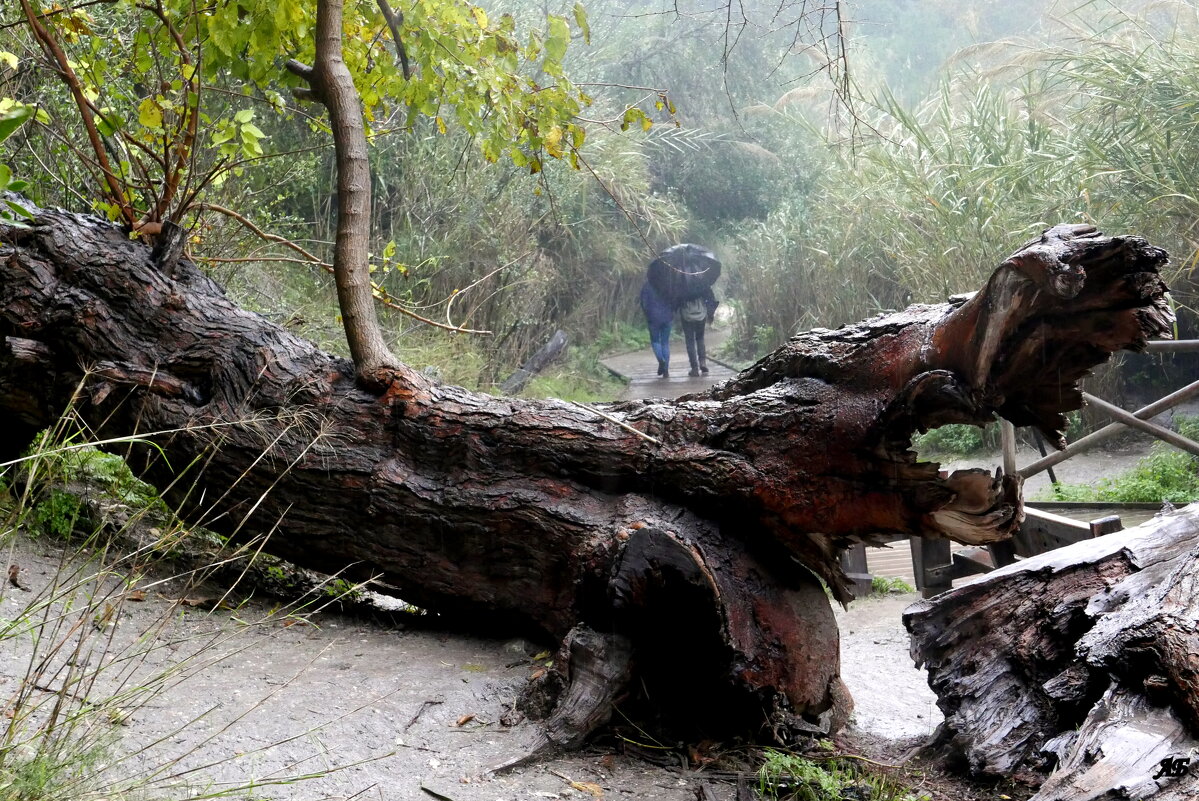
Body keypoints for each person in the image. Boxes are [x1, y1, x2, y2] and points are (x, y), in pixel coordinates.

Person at [678, 287, 718, 377]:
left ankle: (694, 368)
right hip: (701, 315)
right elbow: (710, 298)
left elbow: (676, 299)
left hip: (686, 315)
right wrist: (710, 314)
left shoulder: (681, 283)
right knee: (700, 339)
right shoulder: (702, 282)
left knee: (690, 341)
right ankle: (702, 362)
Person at [639, 279, 674, 377]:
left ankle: (661, 360)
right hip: (667, 317)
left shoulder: (647, 285)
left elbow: (643, 302)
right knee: (665, 343)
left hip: (653, 318)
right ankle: (666, 370)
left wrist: (647, 314)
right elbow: (675, 300)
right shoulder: (669, 284)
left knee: (655, 341)